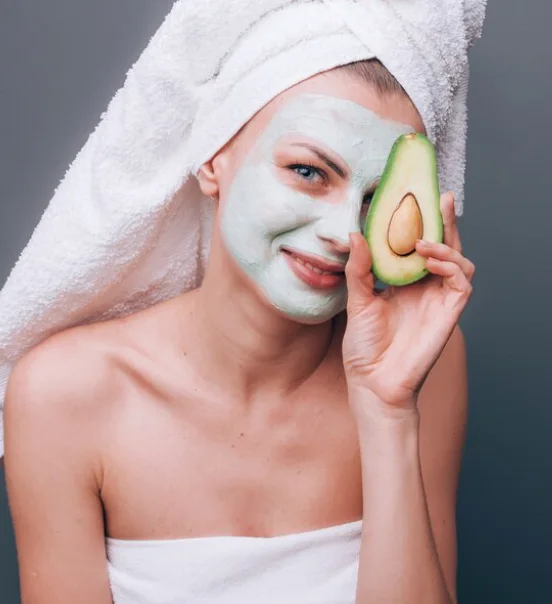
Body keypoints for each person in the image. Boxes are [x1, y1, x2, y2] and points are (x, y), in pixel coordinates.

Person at [1, 2, 485, 603]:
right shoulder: (66, 394)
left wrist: (388, 412)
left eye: (377, 201)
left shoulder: (422, 366)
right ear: (213, 156)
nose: (344, 233)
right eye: (308, 172)